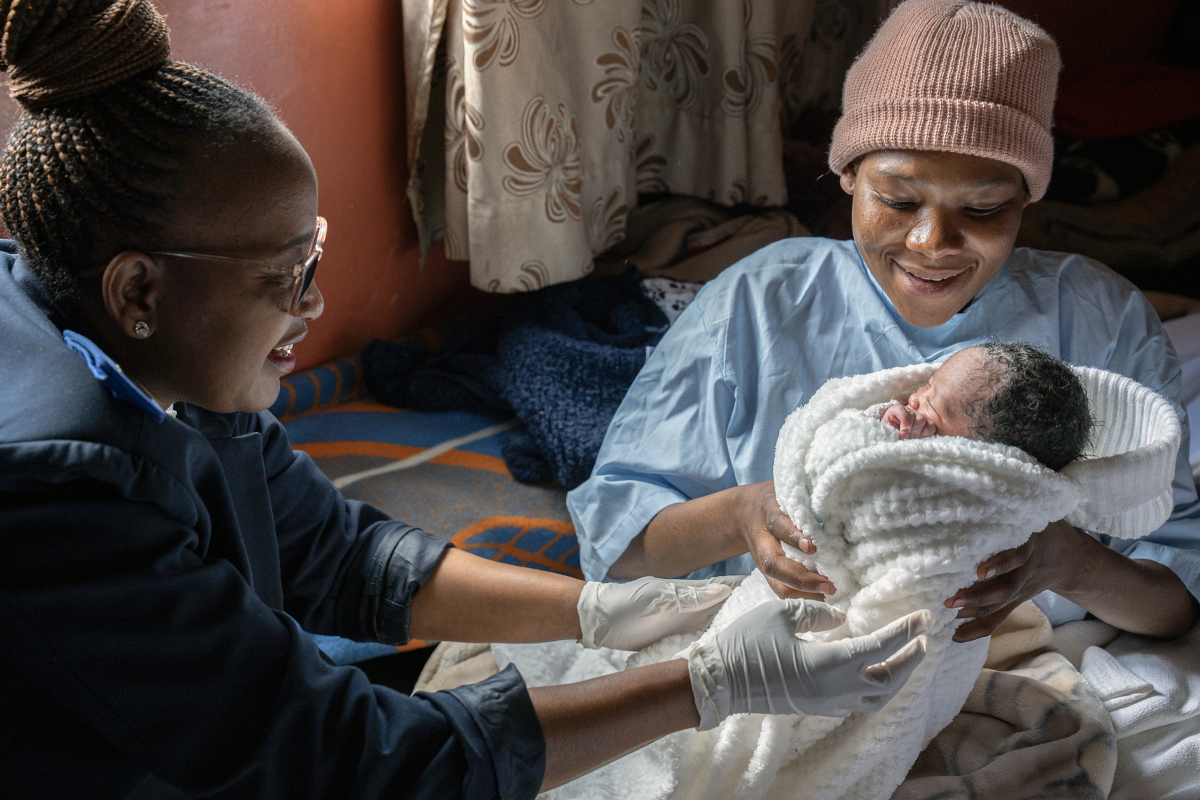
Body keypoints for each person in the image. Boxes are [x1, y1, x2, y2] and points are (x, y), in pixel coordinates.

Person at [0, 2, 933, 798]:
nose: (314, 302)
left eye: (313, 255)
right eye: (287, 275)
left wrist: (597, 610)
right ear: (137, 291)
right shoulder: (58, 494)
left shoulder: (145, 339)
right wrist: (709, 686)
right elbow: (346, 763)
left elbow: (338, 558)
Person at [569, 0, 1200, 645]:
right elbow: (615, 546)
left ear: (1028, 196)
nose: (932, 242)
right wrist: (740, 515)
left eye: (983, 209)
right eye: (898, 201)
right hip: (785, 653)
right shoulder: (758, 304)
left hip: (1016, 655)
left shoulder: (1102, 319)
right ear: (847, 175)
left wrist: (1075, 564)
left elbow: (1177, 600)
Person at [879, 342, 1093, 472]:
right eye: (928, 385)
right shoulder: (904, 418)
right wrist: (886, 428)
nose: (915, 399)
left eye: (931, 405)